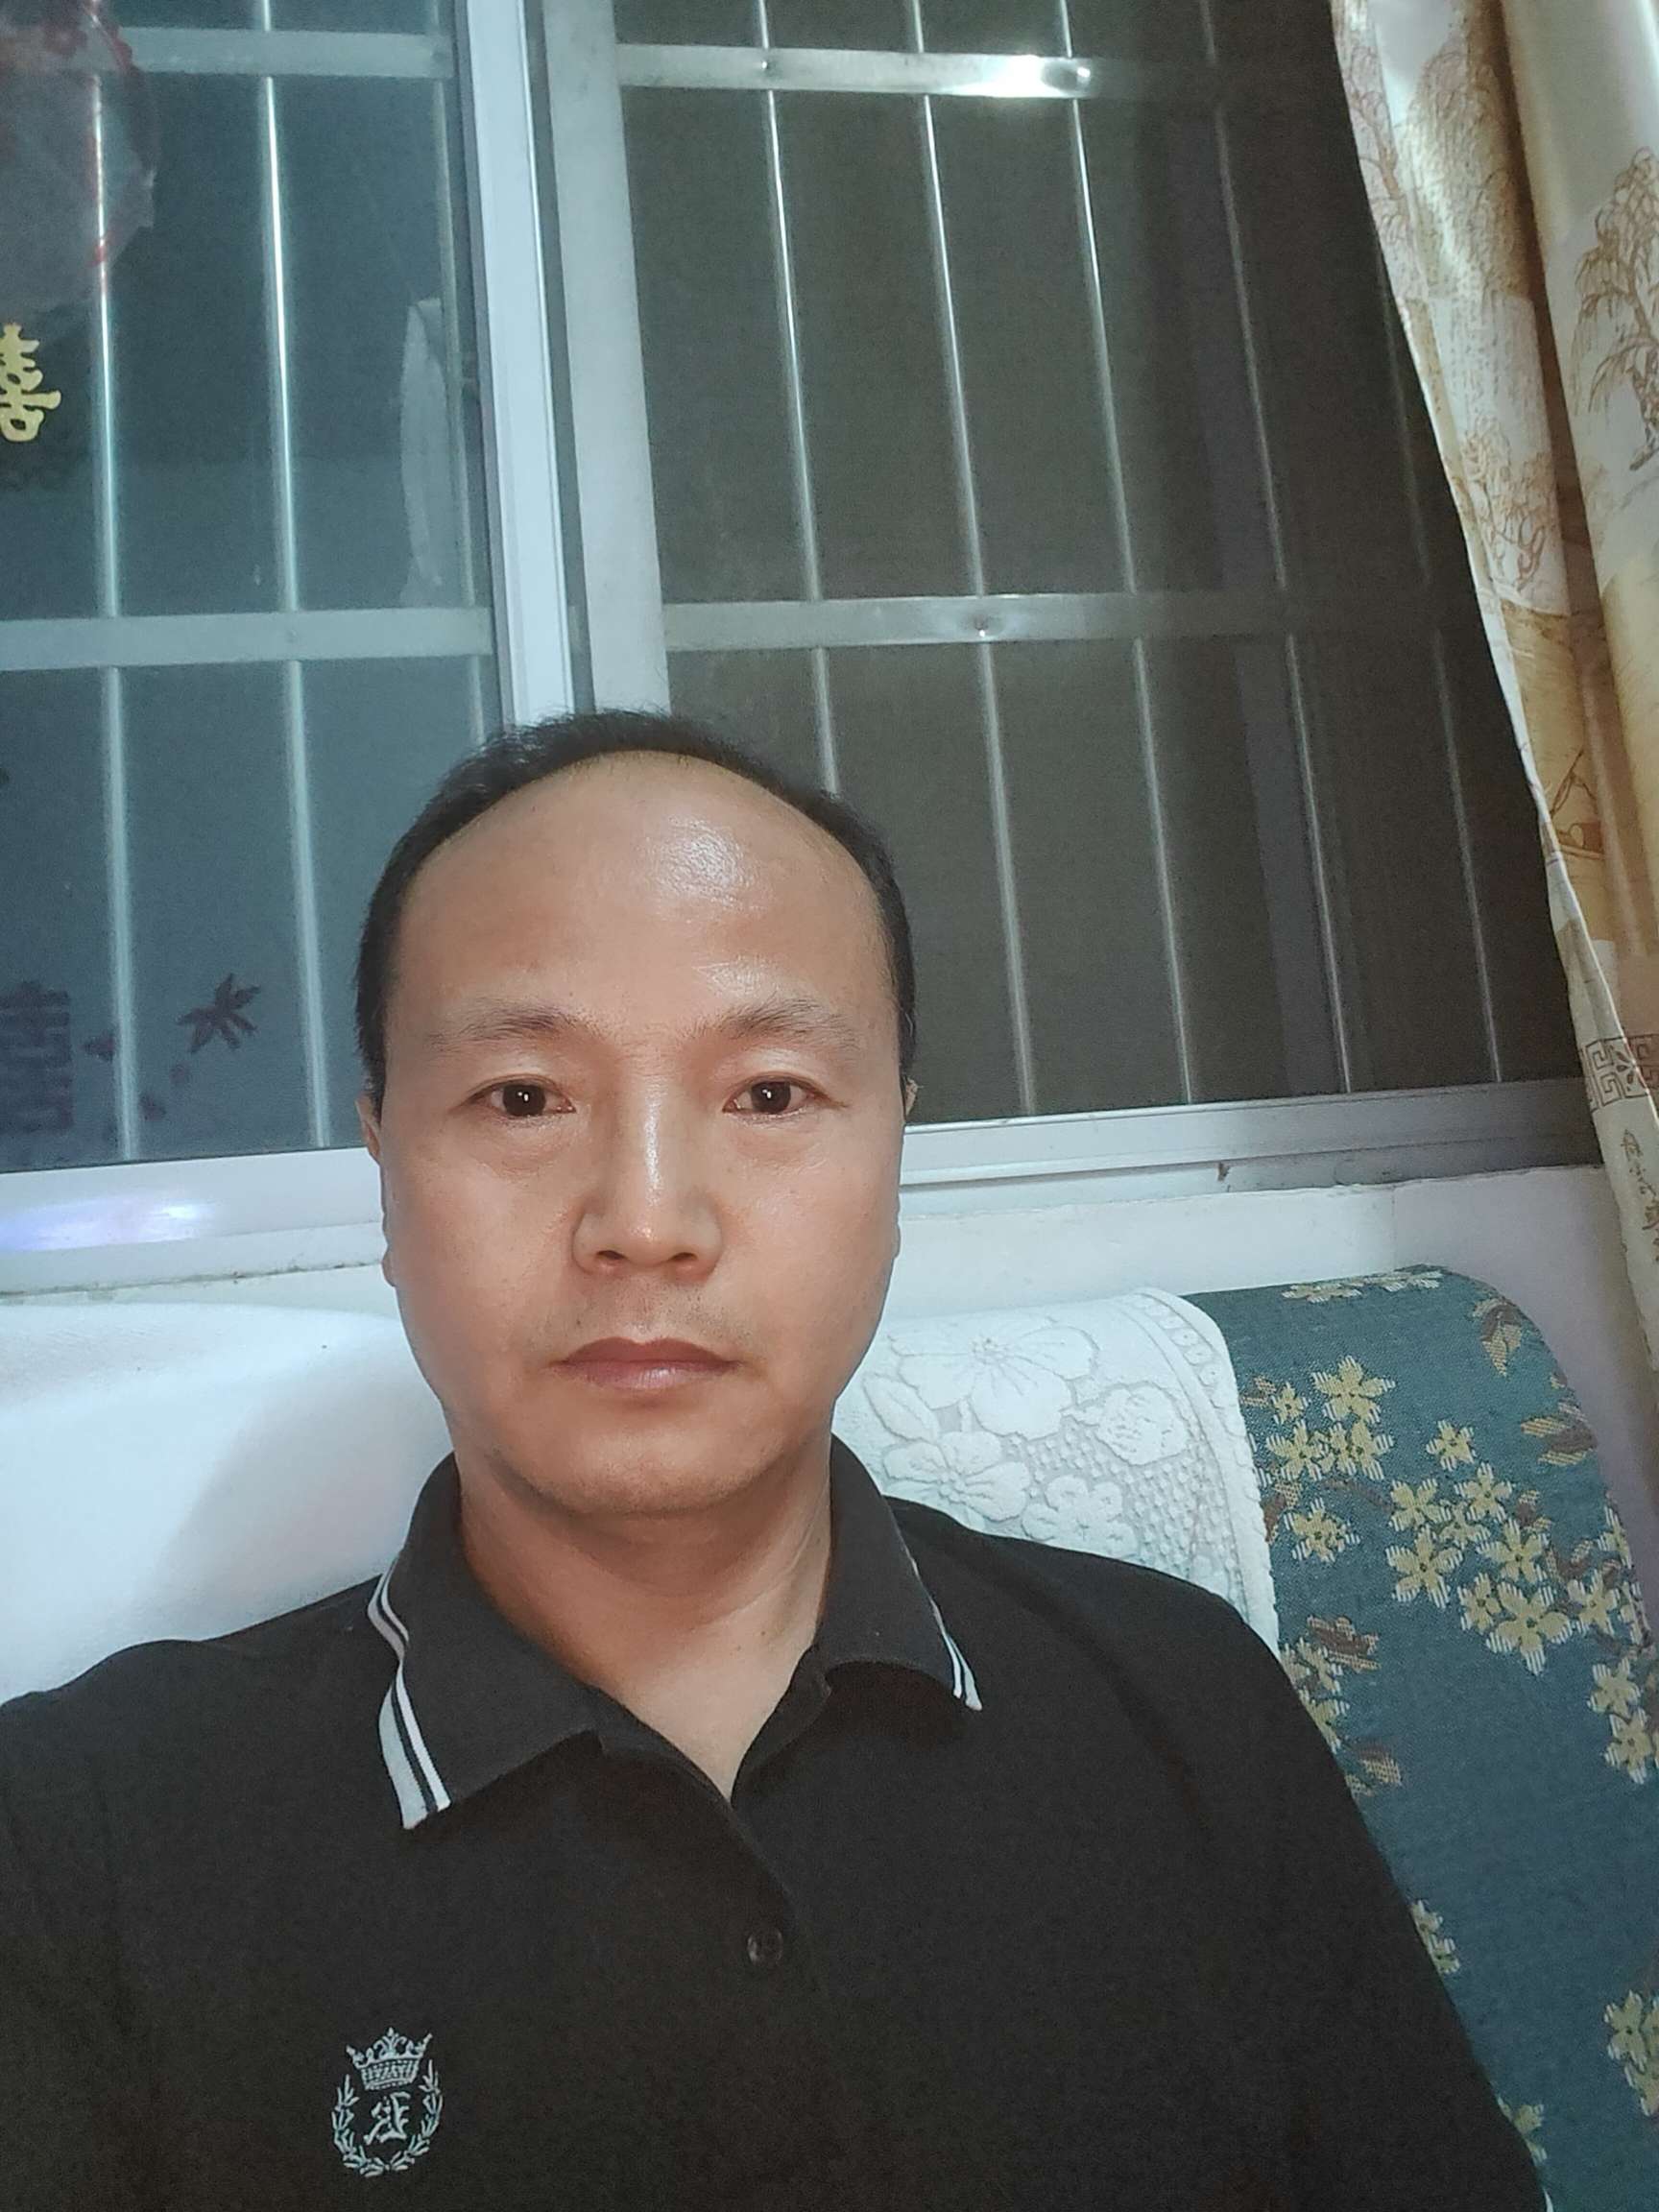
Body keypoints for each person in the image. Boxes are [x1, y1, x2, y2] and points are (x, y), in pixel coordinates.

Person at [0, 711, 1542, 2210]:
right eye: (522, 1097)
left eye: (770, 1095)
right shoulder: (80, 1841)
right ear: (387, 1172)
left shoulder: (1186, 1701)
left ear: (894, 1162)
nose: (646, 1220)